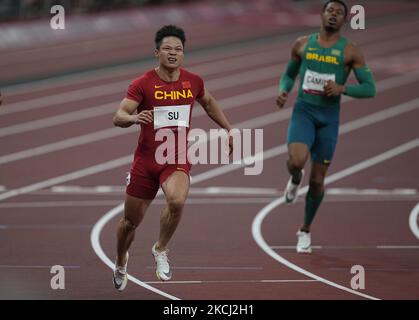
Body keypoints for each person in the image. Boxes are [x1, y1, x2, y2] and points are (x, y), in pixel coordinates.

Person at [112, 25, 233, 290]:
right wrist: (133, 118)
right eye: (167, 48)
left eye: (178, 49)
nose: (173, 53)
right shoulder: (142, 84)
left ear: (183, 54)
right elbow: (118, 116)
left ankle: (161, 248)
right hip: (145, 162)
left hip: (175, 156)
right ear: (157, 53)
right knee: (129, 223)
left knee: (177, 201)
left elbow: (209, 102)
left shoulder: (193, 81)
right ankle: (121, 260)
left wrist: (228, 129)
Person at [276, 0, 376, 253]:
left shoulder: (350, 51)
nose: (334, 15)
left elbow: (370, 88)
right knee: (296, 161)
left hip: (328, 119)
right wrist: (284, 90)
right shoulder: (302, 44)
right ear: (321, 15)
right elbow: (289, 74)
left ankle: (305, 229)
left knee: (319, 180)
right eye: (330, 10)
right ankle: (295, 179)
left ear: (344, 20)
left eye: (339, 13)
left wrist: (344, 88)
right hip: (304, 112)